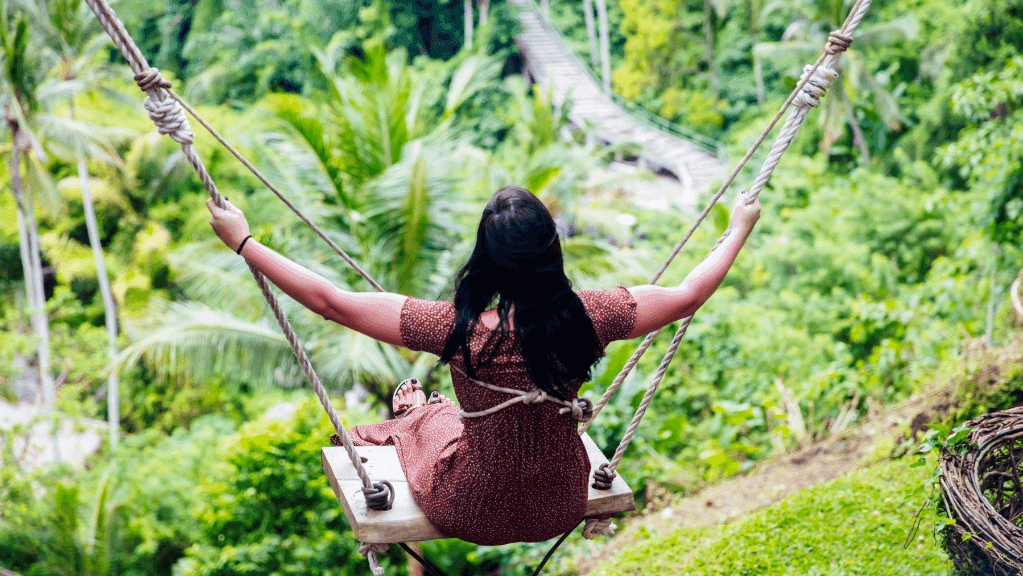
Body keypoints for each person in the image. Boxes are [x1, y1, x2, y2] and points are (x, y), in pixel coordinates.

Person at [207, 185, 760, 545]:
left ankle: (415, 414)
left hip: (468, 506)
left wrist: (245, 243)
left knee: (432, 420)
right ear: (552, 249)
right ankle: (421, 414)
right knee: (448, 420)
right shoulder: (592, 316)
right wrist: (737, 228)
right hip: (558, 503)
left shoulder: (457, 330)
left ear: (487, 259)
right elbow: (687, 294)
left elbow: (331, 303)